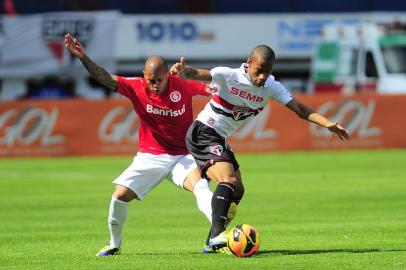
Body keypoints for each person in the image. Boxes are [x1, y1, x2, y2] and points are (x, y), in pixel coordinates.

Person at [170, 45, 350, 252]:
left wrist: (327, 123)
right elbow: (196, 74)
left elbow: (299, 108)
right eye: (259, 71)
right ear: (249, 63)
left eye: (268, 71)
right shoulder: (228, 75)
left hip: (219, 137)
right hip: (203, 132)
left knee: (237, 190)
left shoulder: (271, 86)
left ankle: (211, 241)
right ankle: (218, 236)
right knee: (227, 179)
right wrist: (184, 71)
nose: (263, 76)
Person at [64, 33, 220, 256]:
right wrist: (83, 58)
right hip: (150, 156)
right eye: (150, 80)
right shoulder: (136, 86)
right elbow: (104, 77)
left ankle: (216, 237)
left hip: (182, 155)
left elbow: (214, 89)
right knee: (118, 197)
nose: (155, 85)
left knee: (202, 186)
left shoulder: (182, 84)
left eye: (159, 79)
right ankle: (113, 243)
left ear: (168, 75)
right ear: (144, 76)